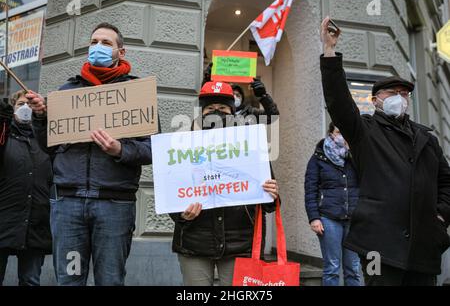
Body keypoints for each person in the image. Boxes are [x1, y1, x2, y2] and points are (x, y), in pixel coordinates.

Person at [320, 16, 450, 286]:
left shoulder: (426, 138)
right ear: (376, 100)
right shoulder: (365, 130)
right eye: (393, 92)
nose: (399, 99)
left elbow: (446, 182)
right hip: (379, 247)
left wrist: (440, 217)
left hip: (423, 247)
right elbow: (339, 104)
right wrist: (330, 51)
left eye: (405, 93)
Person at [27, 23, 154, 286]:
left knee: (110, 280)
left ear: (121, 51)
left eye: (106, 43)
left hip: (114, 206)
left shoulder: (137, 94)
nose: (98, 47)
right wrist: (41, 118)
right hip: (68, 205)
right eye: (94, 41)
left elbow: (151, 149)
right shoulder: (66, 92)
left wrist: (120, 150)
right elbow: (48, 147)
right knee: (69, 280)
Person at [170, 81, 280, 286]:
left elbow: (268, 203)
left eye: (222, 108)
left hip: (240, 243)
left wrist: (272, 194)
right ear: (201, 112)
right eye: (210, 108)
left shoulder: (250, 146)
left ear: (233, 111)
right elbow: (173, 192)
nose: (216, 113)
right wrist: (181, 215)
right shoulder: (182, 145)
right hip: (195, 241)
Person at [0, 91, 52, 286]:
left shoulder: (46, 142)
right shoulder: (4, 138)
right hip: (4, 220)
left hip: (36, 223)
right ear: (13, 108)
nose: (25, 108)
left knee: (30, 280)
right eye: (21, 103)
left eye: (30, 104)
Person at [304, 122, 361, 286]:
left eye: (346, 132)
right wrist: (313, 218)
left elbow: (368, 183)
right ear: (331, 134)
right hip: (329, 218)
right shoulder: (318, 157)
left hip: (354, 219)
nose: (343, 136)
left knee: (353, 269)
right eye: (338, 132)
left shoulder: (356, 156)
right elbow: (310, 189)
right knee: (332, 268)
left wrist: (354, 153)